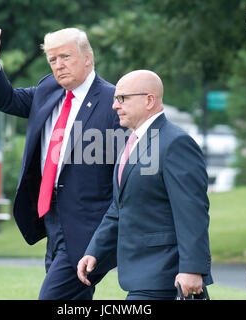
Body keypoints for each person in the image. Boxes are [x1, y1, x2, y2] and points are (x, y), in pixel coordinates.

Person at [0, 18, 123, 300]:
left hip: (89, 225)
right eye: (52, 59)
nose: (58, 64)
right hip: (50, 217)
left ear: (88, 59)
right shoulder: (48, 90)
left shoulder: (114, 102)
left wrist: (110, 232)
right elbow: (8, 100)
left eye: (66, 56)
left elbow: (125, 174)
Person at [77, 70, 213, 300]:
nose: (115, 106)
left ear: (149, 100)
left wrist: (192, 268)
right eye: (115, 99)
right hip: (142, 276)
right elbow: (119, 207)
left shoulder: (176, 143)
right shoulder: (131, 142)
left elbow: (192, 212)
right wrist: (95, 250)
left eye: (122, 98)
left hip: (165, 276)